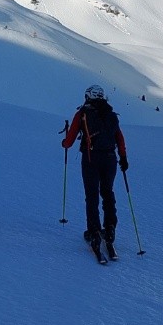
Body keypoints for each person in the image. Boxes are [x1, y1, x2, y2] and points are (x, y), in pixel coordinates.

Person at [62, 84, 129, 259]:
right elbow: (119, 138)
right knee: (108, 193)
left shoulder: (83, 113)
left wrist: (65, 143)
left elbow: (69, 141)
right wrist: (123, 158)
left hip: (91, 159)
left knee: (91, 196)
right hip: (110, 159)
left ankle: (94, 232)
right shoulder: (111, 115)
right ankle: (110, 228)